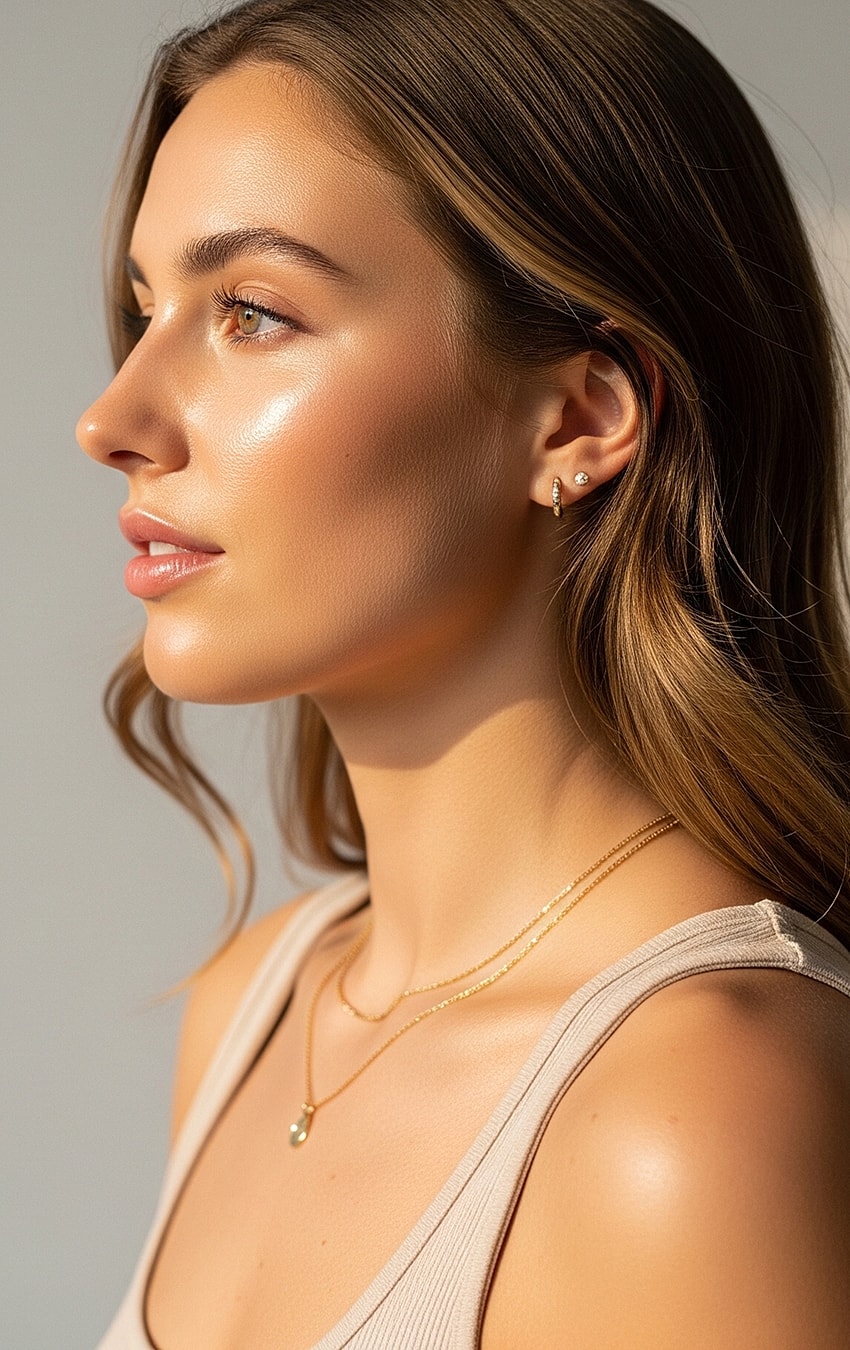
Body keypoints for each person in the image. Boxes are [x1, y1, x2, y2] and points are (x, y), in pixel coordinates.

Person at [77, 0, 850, 1344]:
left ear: (578, 415)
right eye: (148, 308)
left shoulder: (692, 1107)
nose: (114, 420)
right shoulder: (261, 1004)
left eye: (253, 313)